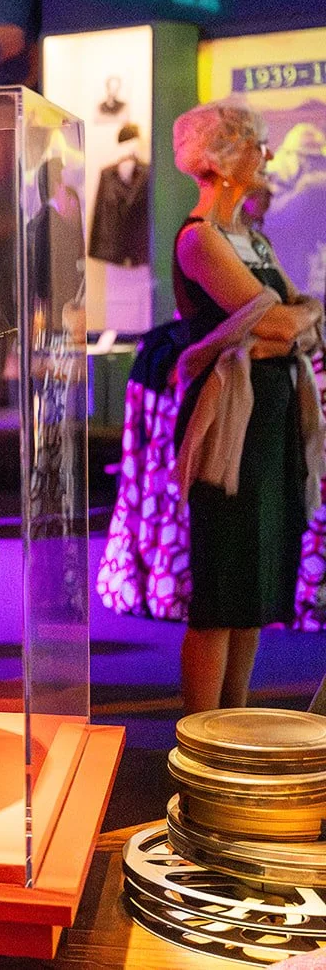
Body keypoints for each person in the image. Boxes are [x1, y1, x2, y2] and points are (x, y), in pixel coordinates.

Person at [171, 97, 324, 714]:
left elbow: (297, 317)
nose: (266, 155)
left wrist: (278, 323)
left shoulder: (249, 237)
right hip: (230, 424)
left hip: (272, 414)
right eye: (256, 143)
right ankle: (202, 738)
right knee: (223, 589)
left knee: (256, 586)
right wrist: (283, 321)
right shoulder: (199, 240)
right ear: (226, 157)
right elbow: (284, 319)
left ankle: (235, 725)